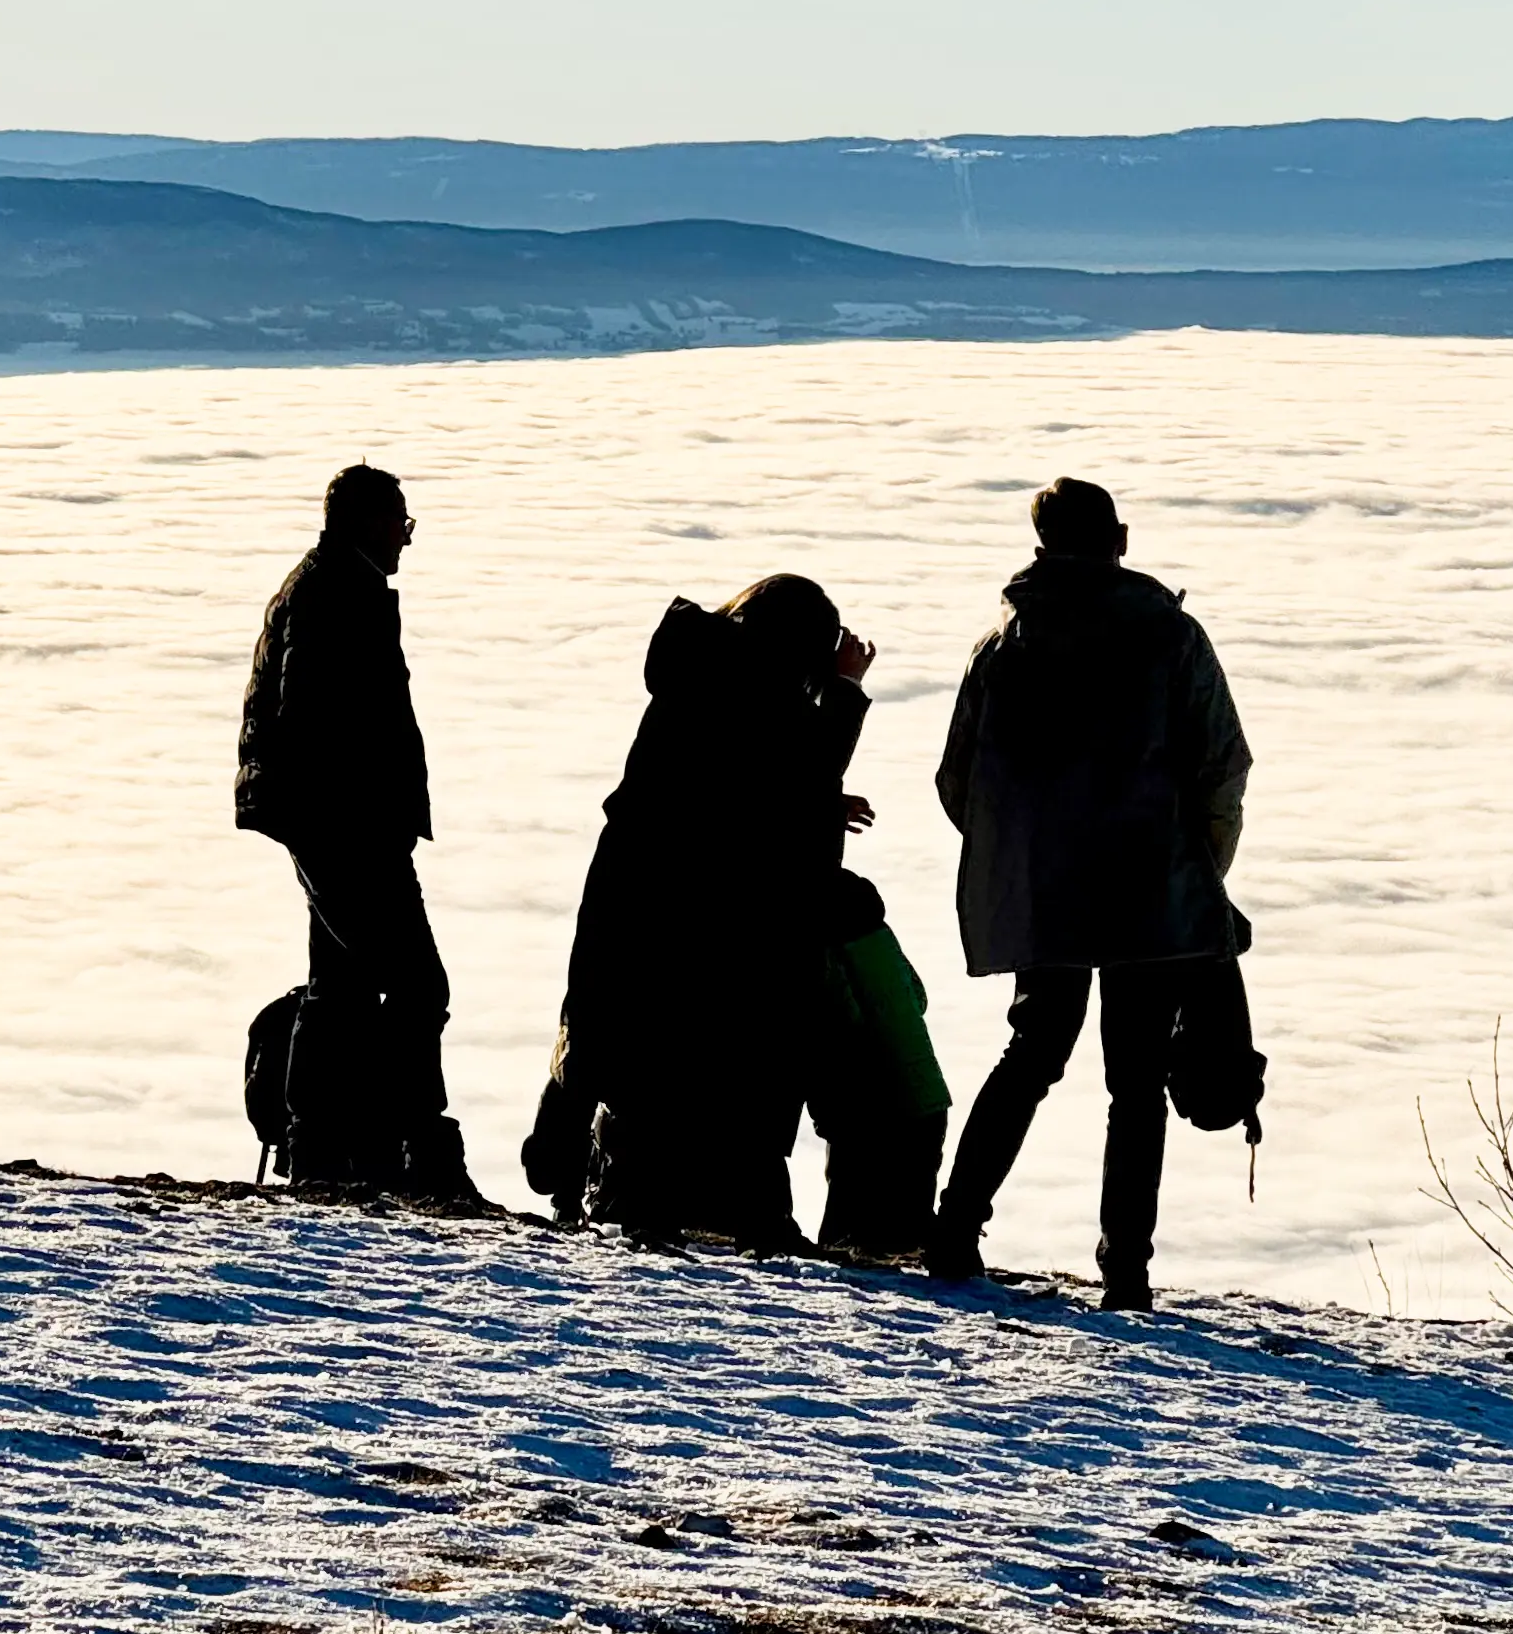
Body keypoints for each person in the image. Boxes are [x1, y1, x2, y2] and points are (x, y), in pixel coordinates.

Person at [926, 479, 1252, 1307]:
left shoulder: (1003, 645)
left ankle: (955, 1229)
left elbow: (959, 779)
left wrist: (1027, 857)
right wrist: (1199, 872)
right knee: (1136, 1081)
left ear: (1042, 546)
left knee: (1033, 1049)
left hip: (1046, 895)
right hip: (1157, 890)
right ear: (1121, 538)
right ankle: (1126, 1272)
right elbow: (1222, 765)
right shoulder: (1171, 637)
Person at [525, 575, 875, 1246]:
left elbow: (735, 786)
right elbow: (789, 774)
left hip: (645, 887)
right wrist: (845, 690)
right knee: (730, 1047)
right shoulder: (759, 683)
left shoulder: (705, 668)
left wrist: (817, 800)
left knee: (643, 1042)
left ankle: (609, 1180)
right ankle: (725, 1207)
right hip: (710, 902)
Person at [236, 464, 477, 1199]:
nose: (407, 537)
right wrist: (367, 816)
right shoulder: (334, 594)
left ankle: (323, 1147)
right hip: (344, 824)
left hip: (331, 819)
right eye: (399, 521)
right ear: (366, 521)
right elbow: (315, 714)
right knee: (414, 985)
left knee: (339, 986)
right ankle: (405, 1151)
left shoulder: (334, 584)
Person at [808, 869, 951, 1260]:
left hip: (872, 1088)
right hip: (927, 1092)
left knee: (852, 1180)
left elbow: (842, 1016)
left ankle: (847, 1244)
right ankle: (911, 1243)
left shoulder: (828, 951)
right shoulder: (885, 940)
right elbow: (918, 996)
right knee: (915, 1183)